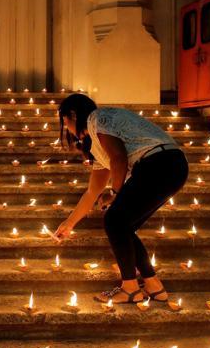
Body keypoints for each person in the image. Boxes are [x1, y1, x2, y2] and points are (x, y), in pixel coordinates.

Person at [52, 94, 188, 303]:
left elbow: (119, 157)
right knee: (123, 225)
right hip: (171, 165)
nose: (67, 128)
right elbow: (92, 192)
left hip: (158, 163)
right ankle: (153, 285)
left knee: (115, 221)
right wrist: (69, 223)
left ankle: (130, 288)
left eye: (65, 121)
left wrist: (115, 193)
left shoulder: (97, 119)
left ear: (73, 114)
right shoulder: (98, 146)